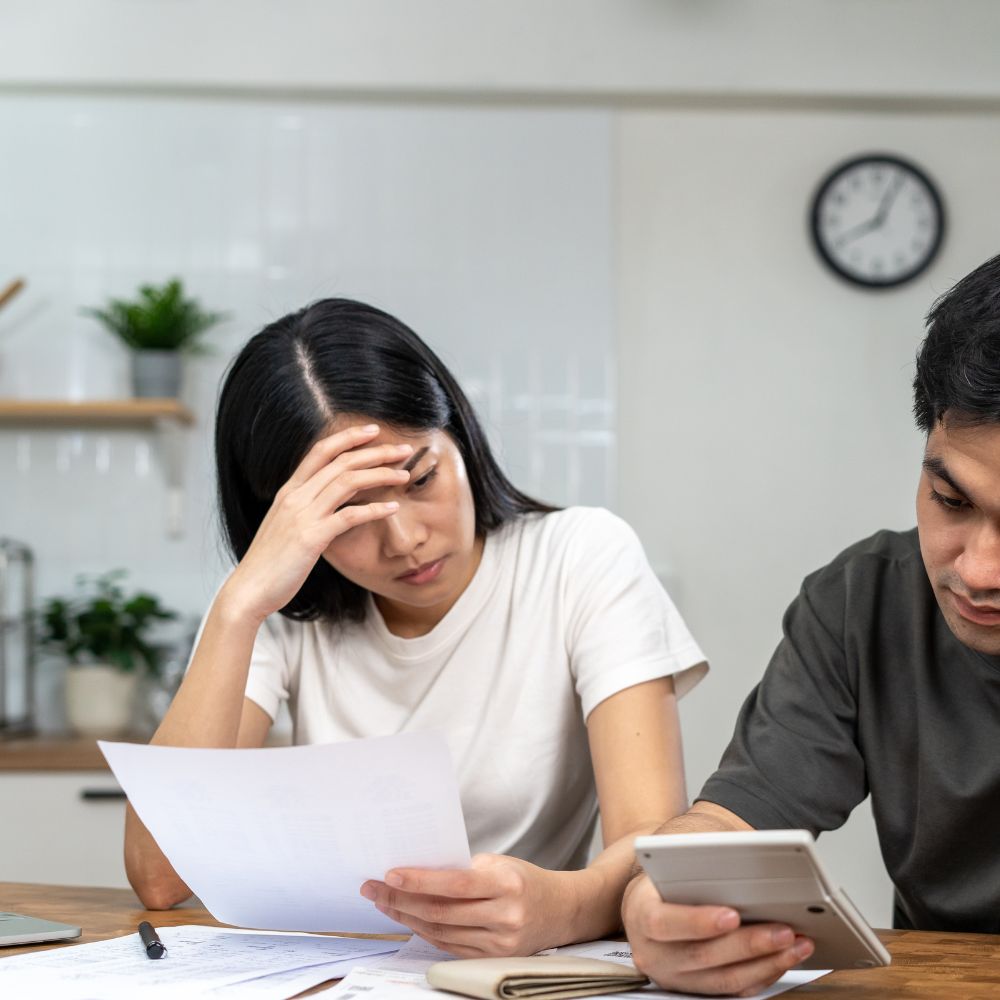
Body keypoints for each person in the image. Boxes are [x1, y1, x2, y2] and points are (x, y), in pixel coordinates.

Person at [124, 297, 707, 956]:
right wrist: (238, 608)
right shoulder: (277, 607)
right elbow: (159, 878)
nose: (404, 541)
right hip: (335, 971)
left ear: (458, 433)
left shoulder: (581, 556)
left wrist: (560, 908)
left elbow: (652, 845)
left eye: (420, 477)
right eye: (348, 514)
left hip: (523, 973)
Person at [622, 252, 1000, 996]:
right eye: (951, 502)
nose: (979, 570)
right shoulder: (864, 605)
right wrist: (658, 909)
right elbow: (727, 831)